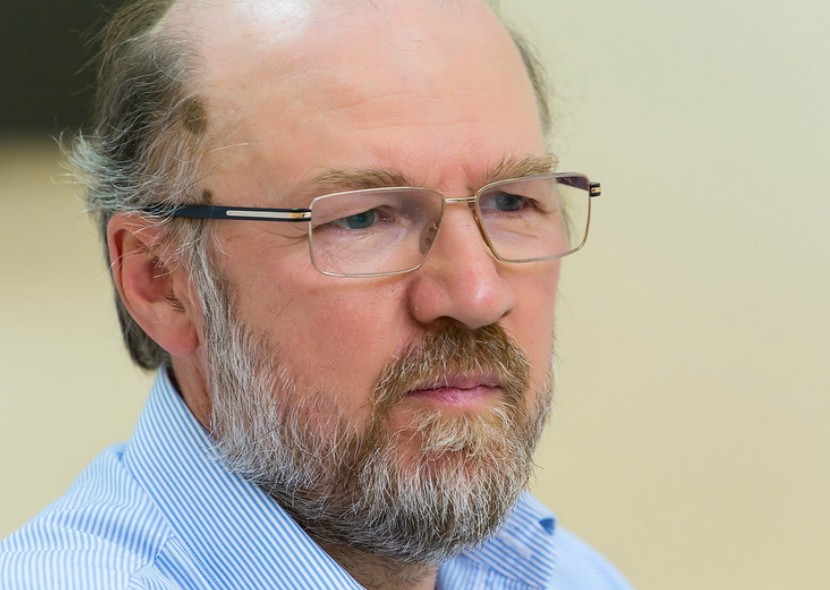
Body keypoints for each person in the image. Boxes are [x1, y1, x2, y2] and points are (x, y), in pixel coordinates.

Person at [0, 0, 631, 588]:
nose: (476, 295)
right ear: (161, 282)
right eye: (363, 218)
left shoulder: (567, 574)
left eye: (512, 202)